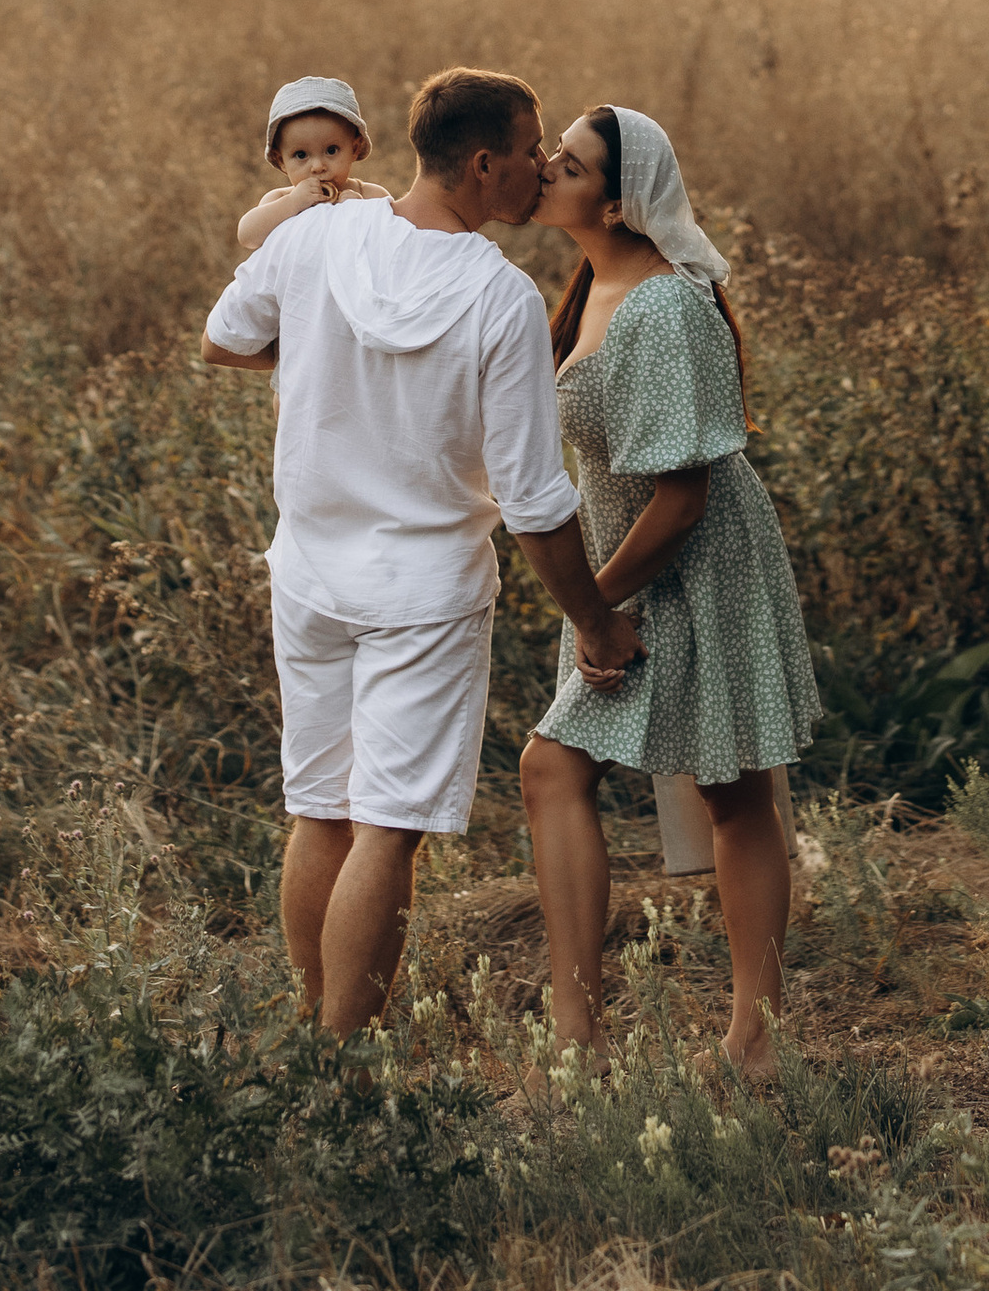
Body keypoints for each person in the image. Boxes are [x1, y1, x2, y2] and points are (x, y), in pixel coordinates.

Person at [201, 65, 643, 1039]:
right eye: (530, 152)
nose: (541, 167)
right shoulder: (499, 297)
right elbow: (532, 498)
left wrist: (321, 348)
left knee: (320, 810)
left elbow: (224, 341)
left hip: (309, 573)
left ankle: (313, 1043)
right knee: (386, 829)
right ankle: (342, 1063)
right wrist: (595, 619)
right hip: (424, 594)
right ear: (484, 165)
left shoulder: (314, 236)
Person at [522, 105, 819, 1078]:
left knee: (723, 791)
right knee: (574, 775)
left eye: (564, 163)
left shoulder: (664, 307)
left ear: (614, 200)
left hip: (691, 567)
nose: (543, 166)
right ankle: (586, 1038)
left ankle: (745, 1040)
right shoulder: (589, 289)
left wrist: (594, 609)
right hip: (631, 574)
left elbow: (685, 497)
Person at [233, 73, 389, 257]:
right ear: (281, 161)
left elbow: (392, 245)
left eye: (331, 150)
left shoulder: (371, 196)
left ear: (355, 148)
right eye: (301, 155)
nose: (317, 166)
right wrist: (293, 203)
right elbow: (247, 236)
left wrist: (360, 213)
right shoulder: (281, 199)